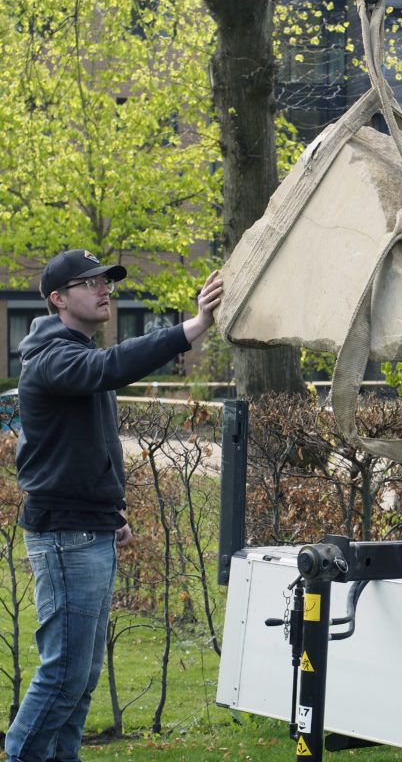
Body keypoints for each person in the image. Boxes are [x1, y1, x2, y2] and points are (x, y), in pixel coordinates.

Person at [5, 249, 223, 762]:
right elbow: (111, 365)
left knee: (81, 681)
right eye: (90, 282)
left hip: (88, 527)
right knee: (62, 677)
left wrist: (112, 511)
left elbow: (82, 446)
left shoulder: (74, 353)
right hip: (65, 535)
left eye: (107, 281)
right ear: (58, 298)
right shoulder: (55, 357)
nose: (105, 289)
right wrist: (192, 327)